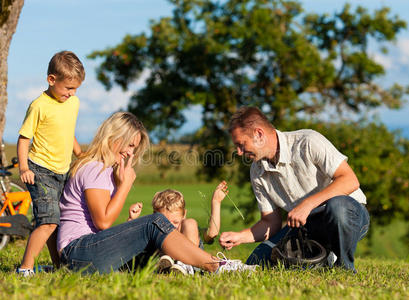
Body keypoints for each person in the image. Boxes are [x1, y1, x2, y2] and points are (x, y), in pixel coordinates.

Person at [57, 112, 254, 275]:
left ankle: (183, 264)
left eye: (134, 147)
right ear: (113, 138)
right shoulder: (95, 168)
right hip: (79, 253)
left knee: (156, 238)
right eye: (130, 145)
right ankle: (216, 266)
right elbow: (103, 222)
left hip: (85, 253)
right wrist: (125, 185)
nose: (130, 153)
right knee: (154, 222)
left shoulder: (101, 169)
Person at [219, 106, 370, 272]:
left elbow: (350, 180)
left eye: (241, 145)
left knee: (338, 206)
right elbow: (271, 222)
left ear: (259, 134)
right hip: (305, 228)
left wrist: (307, 205)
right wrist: (240, 236)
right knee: (255, 262)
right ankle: (318, 257)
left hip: (348, 216)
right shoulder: (257, 171)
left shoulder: (308, 141)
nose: (239, 153)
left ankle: (343, 267)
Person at [16, 51, 85, 276]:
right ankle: (25, 269)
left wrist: (80, 154)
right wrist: (24, 168)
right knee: (47, 221)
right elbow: (24, 138)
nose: (72, 93)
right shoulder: (39, 105)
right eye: (68, 88)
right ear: (51, 80)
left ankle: (59, 267)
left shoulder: (73, 103)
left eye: (75, 88)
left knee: (56, 222)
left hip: (62, 172)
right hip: (39, 170)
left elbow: (68, 131)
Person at [151, 181, 229, 274]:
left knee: (190, 223)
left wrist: (216, 202)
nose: (170, 226)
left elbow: (212, 233)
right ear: (155, 216)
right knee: (157, 232)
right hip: (163, 261)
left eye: (175, 222)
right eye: (165, 221)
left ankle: (186, 265)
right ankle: (166, 262)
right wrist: (132, 218)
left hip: (193, 264)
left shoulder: (187, 229)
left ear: (184, 214)